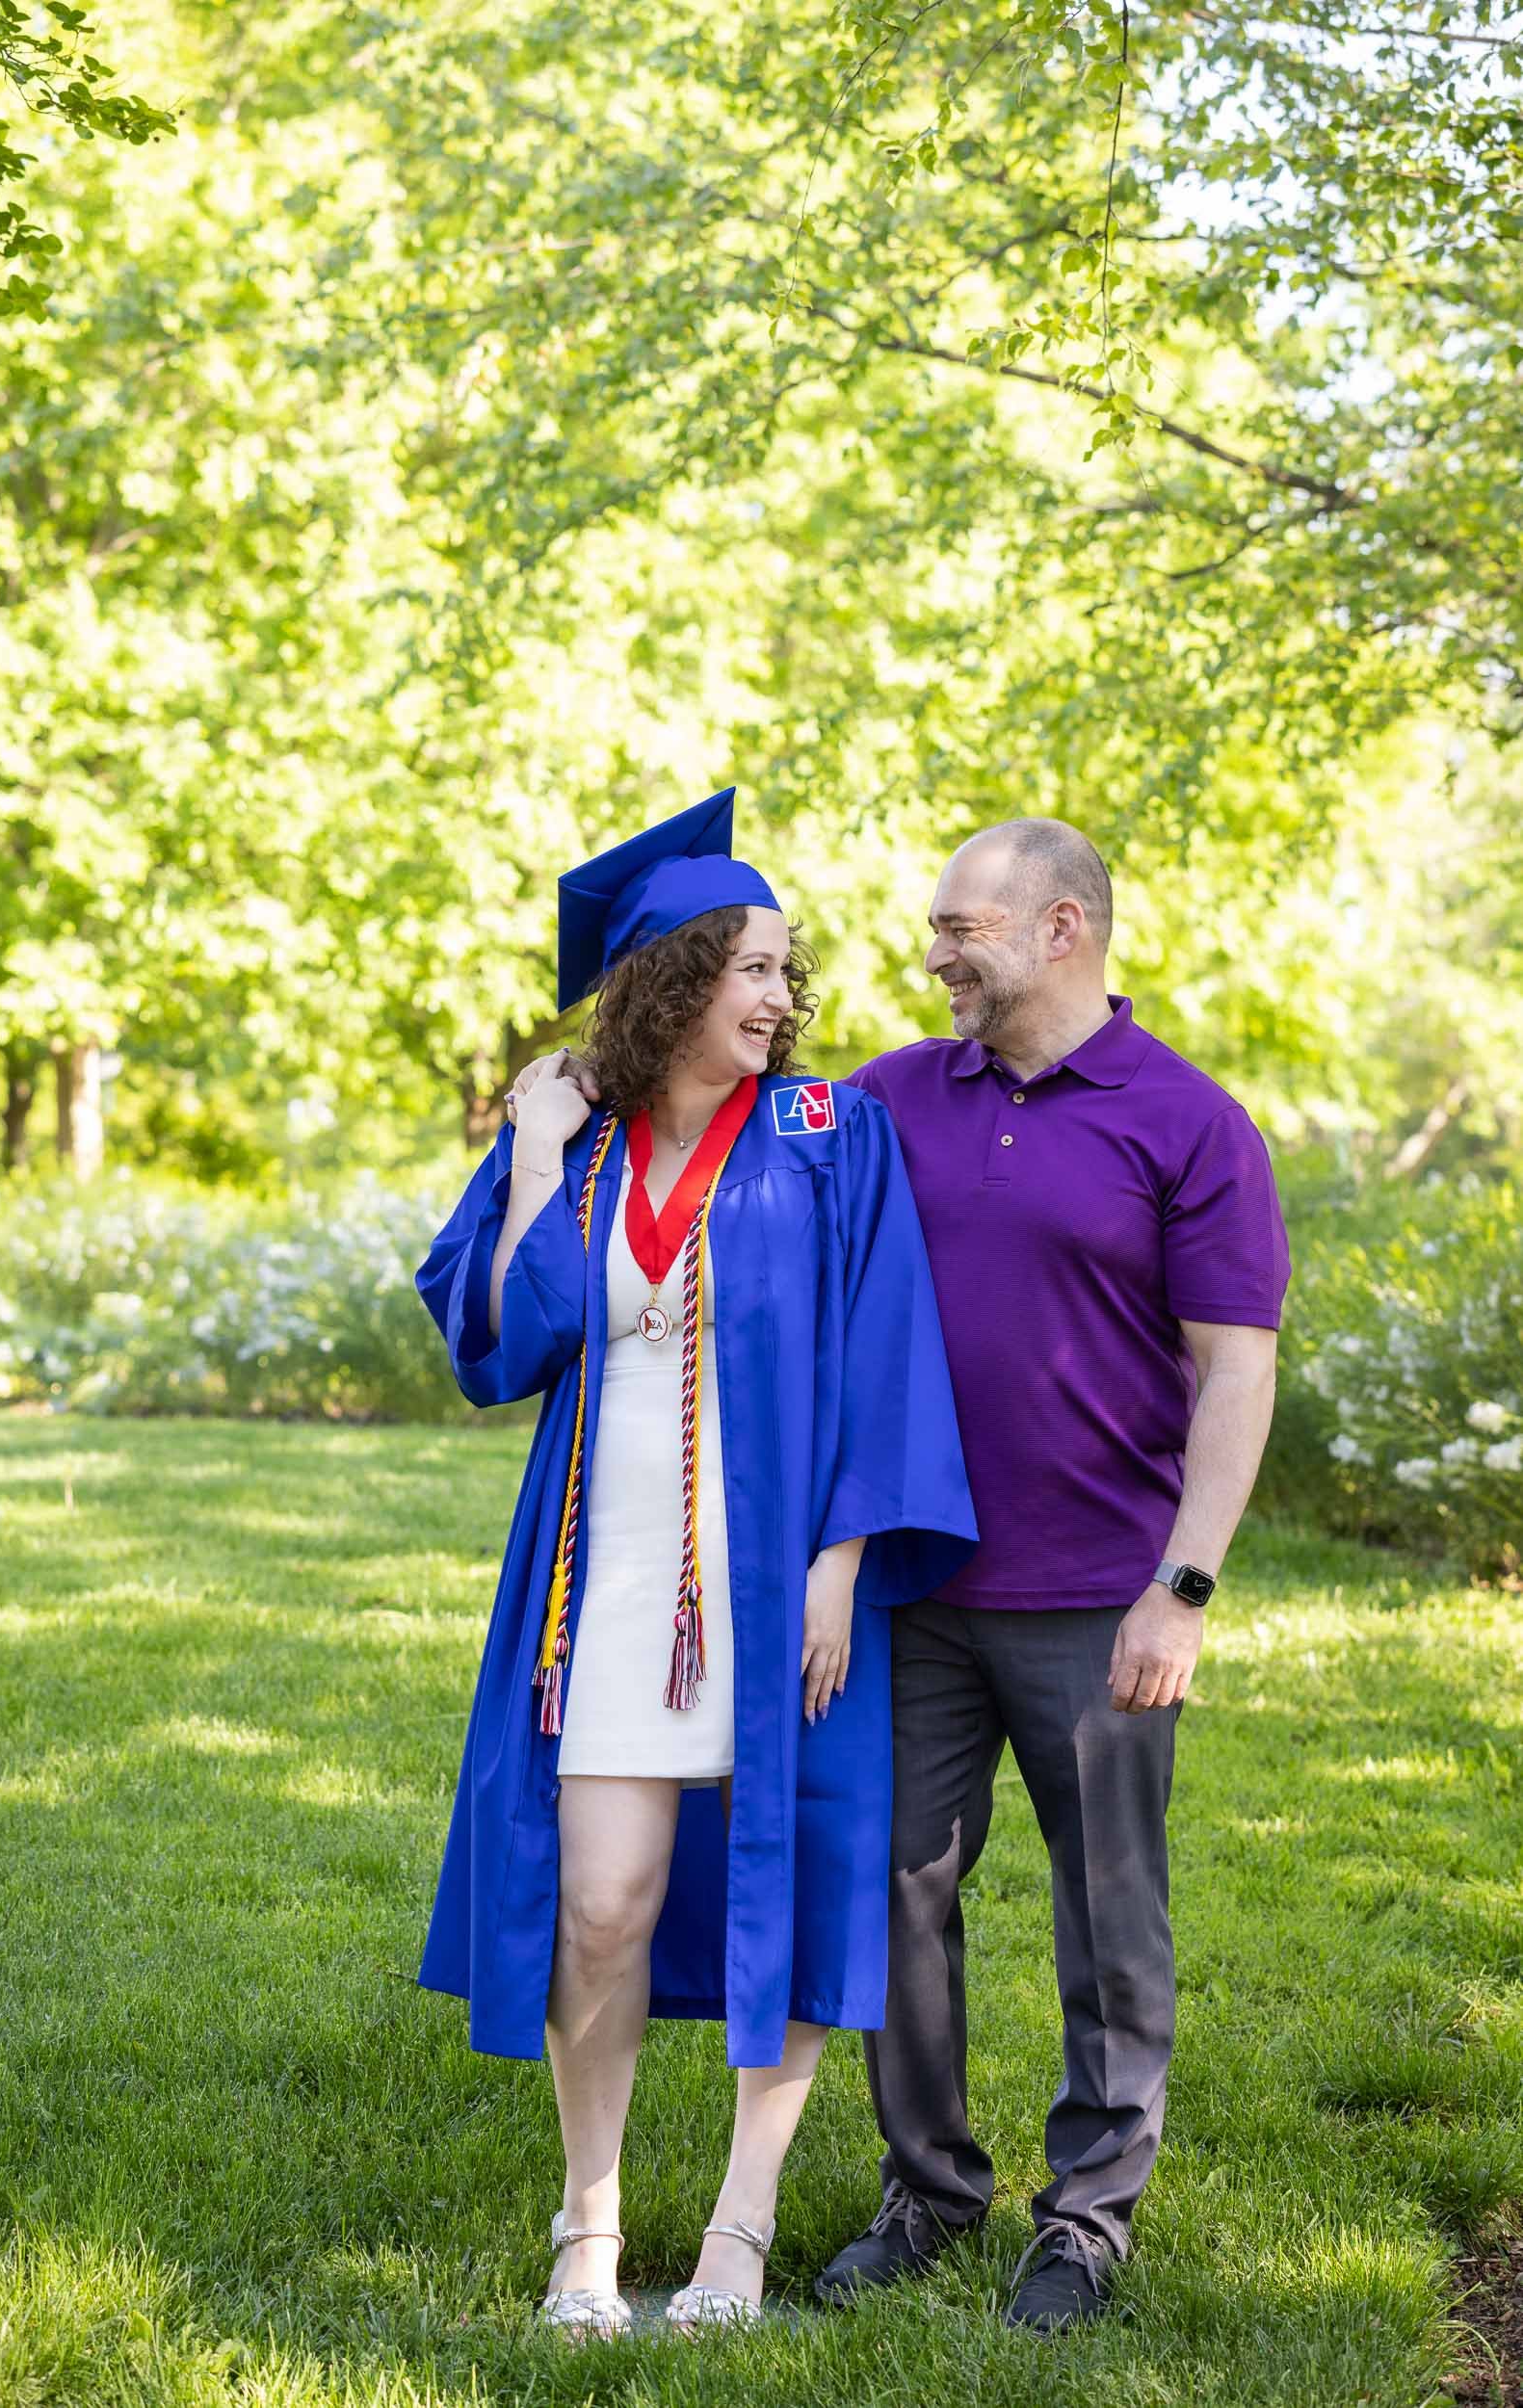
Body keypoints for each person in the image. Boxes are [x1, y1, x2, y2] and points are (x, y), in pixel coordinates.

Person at [515, 816, 1290, 2335]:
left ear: (1059, 928)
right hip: (911, 1598)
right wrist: (602, 1076)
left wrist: (1182, 1586)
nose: (930, 953)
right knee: (888, 1897)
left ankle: (1086, 2223)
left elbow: (1237, 1373)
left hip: (1097, 1592)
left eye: (959, 929)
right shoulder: (882, 1106)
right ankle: (928, 2192)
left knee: (1108, 1909)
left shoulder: (1190, 1122)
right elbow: (728, 1140)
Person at [415, 790, 977, 2340]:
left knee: (785, 1885)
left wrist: (843, 1560)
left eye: (789, 973)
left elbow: (887, 1345)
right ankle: (585, 2226)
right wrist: (530, 1152)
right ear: (670, 977)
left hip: (779, 1578)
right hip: (599, 1583)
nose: (781, 1000)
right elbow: (502, 1344)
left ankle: (740, 2231)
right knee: (601, 1901)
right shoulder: (577, 1146)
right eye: (751, 970)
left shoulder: (826, 1134)